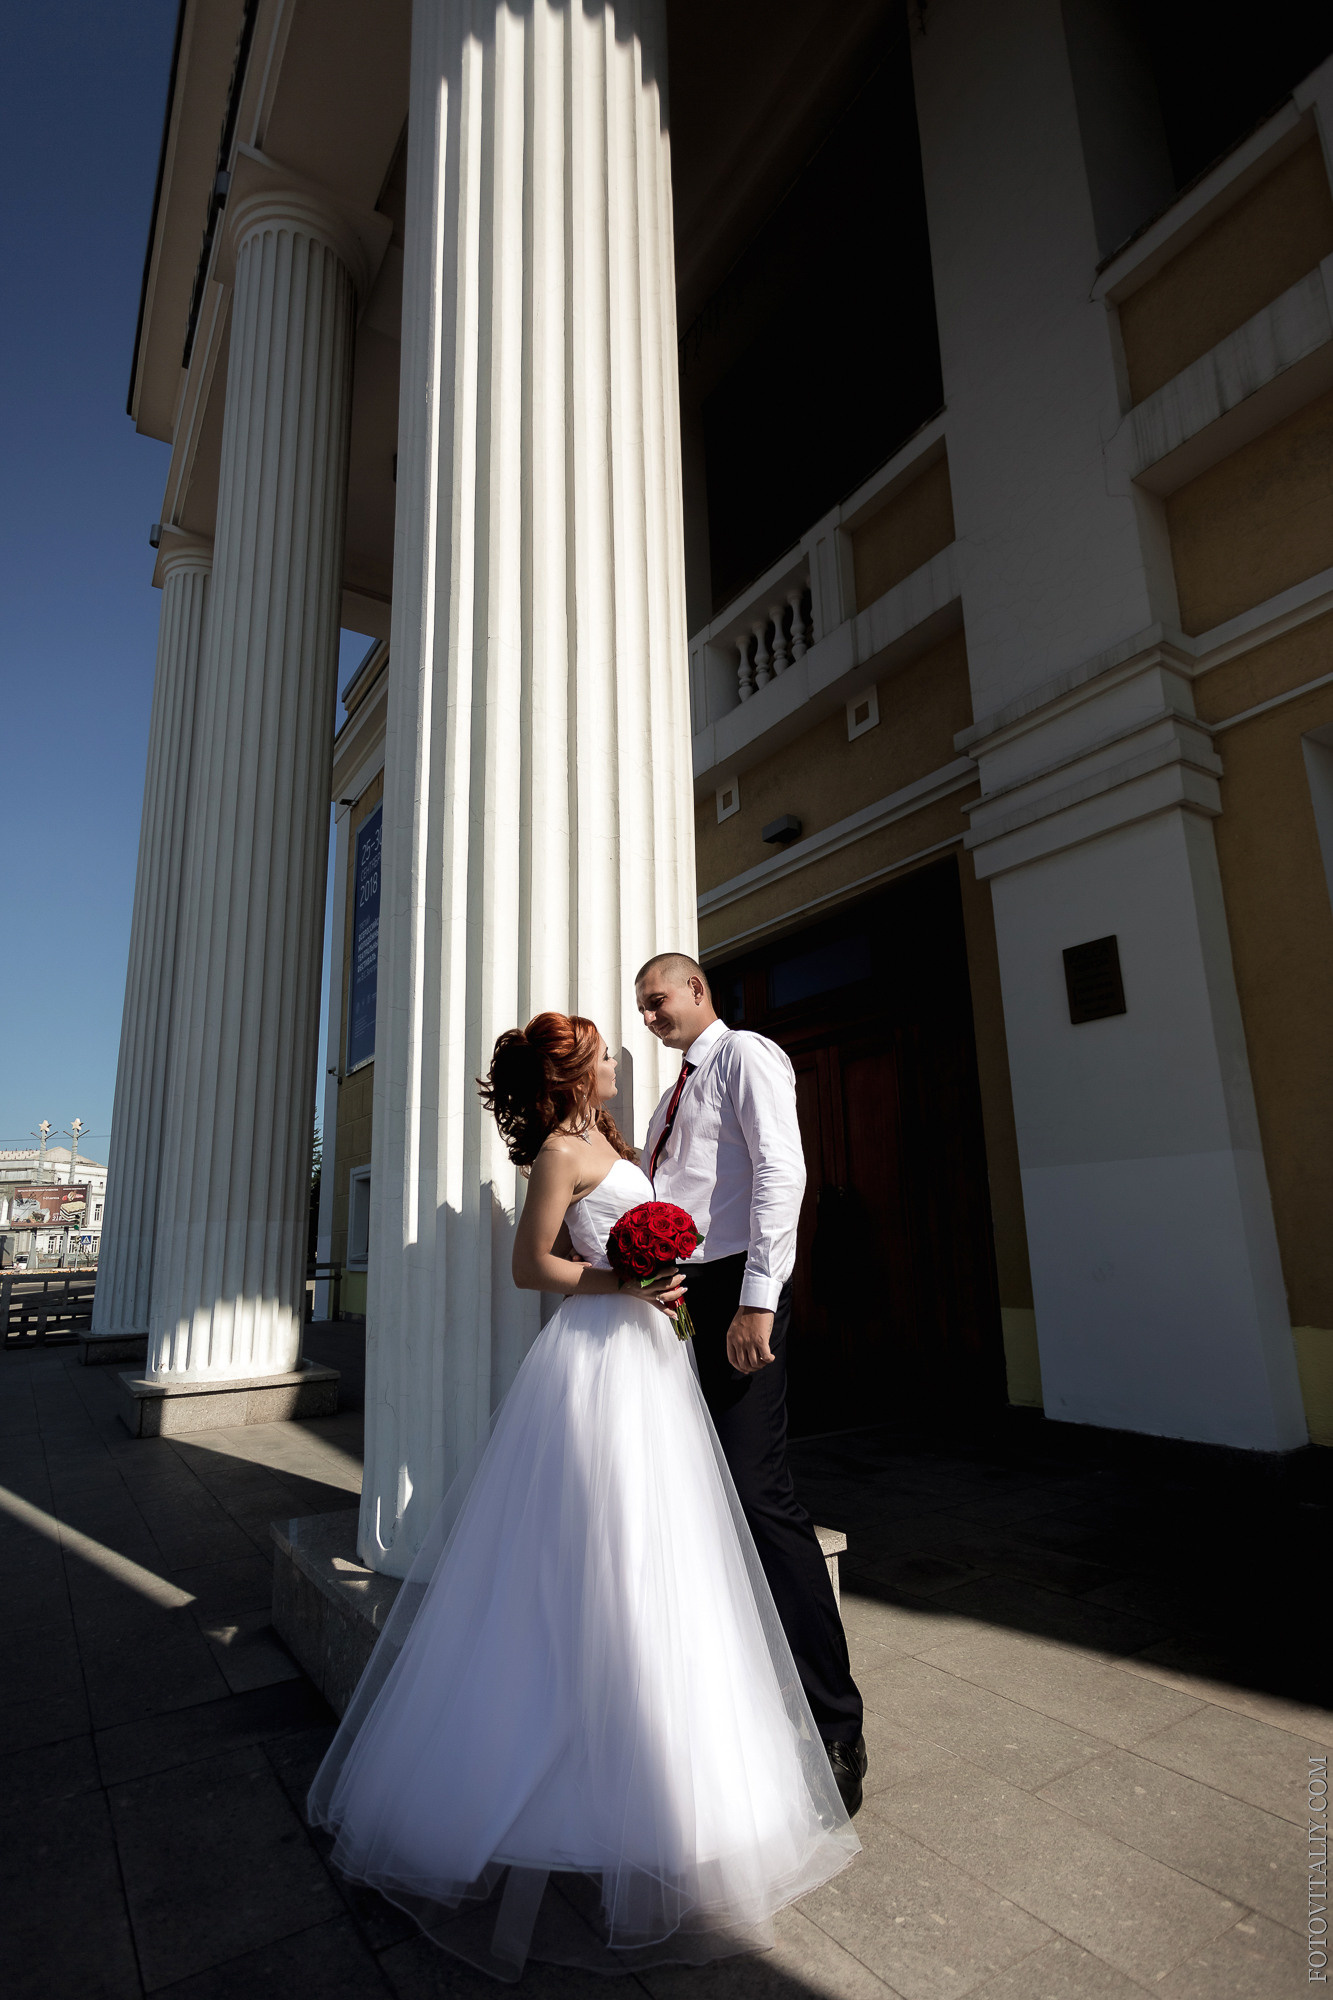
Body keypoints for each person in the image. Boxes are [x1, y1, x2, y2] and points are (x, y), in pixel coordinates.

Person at [308, 1012, 858, 1981]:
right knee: (598, 1548)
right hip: (595, 1363)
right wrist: (624, 1278)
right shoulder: (562, 1151)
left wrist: (672, 1280)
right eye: (601, 1051)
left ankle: (675, 1762)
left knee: (668, 1548)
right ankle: (578, 1759)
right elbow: (532, 1267)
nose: (614, 1060)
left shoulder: (614, 1138)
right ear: (572, 1073)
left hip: (652, 1360)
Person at [636, 953, 868, 1814]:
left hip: (740, 1290)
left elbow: (781, 1173)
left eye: (657, 1000)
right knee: (701, 1494)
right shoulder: (671, 1097)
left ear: (697, 990)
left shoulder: (746, 1056)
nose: (650, 1017)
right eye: (643, 1008)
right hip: (686, 1295)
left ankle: (835, 1724)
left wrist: (758, 1303)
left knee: (760, 1494)